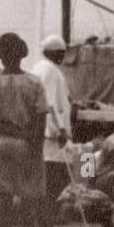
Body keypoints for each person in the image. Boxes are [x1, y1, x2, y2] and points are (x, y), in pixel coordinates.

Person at [0, 32, 78, 227]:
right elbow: (41, 120)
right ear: (22, 54)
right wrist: (31, 143)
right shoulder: (34, 83)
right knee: (40, 203)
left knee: (4, 205)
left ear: (1, 55)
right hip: (29, 146)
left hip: (1, 146)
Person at [31, 35, 73, 203]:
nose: (62, 57)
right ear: (51, 53)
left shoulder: (40, 68)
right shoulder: (49, 70)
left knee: (50, 175)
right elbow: (49, 103)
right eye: (60, 53)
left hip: (46, 133)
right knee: (55, 175)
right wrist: (60, 129)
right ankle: (49, 214)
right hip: (52, 135)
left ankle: (47, 212)